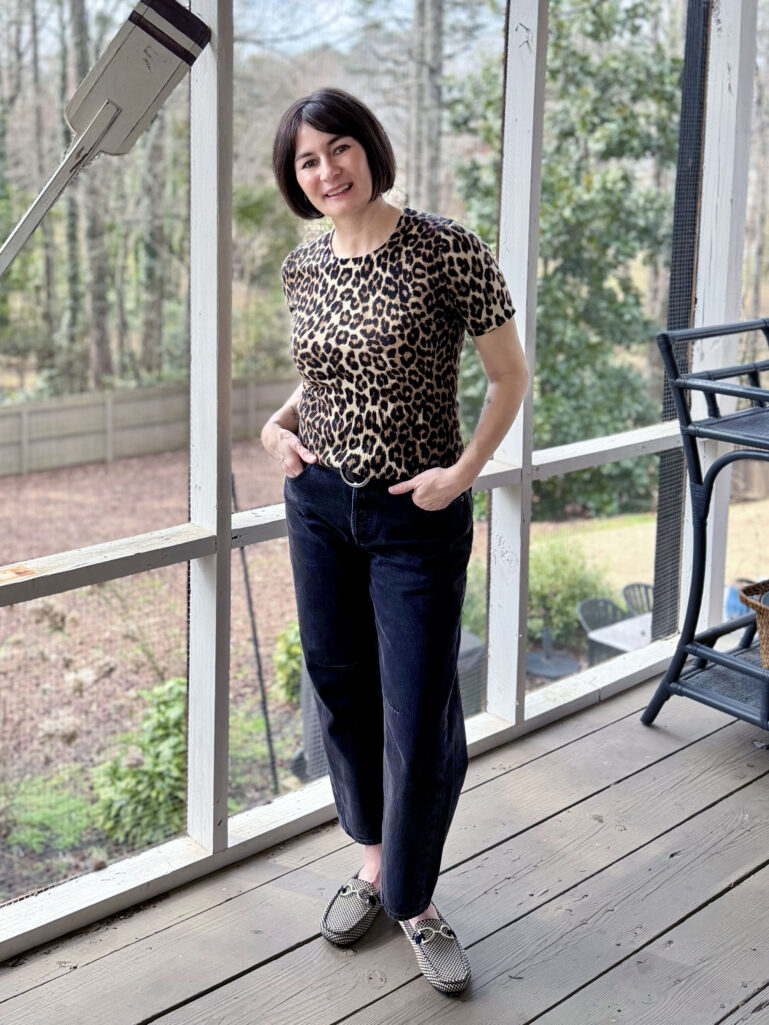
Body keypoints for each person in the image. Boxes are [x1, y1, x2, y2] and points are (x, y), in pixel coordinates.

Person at [263, 87, 528, 994]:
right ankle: (374, 860)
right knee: (339, 685)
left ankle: (414, 899)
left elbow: (508, 376)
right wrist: (275, 425)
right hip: (318, 504)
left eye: (338, 148)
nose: (326, 170)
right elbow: (326, 374)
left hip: (415, 513)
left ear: (369, 148)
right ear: (295, 178)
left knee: (417, 710)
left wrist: (462, 473)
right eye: (307, 160)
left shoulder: (445, 247)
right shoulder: (303, 267)